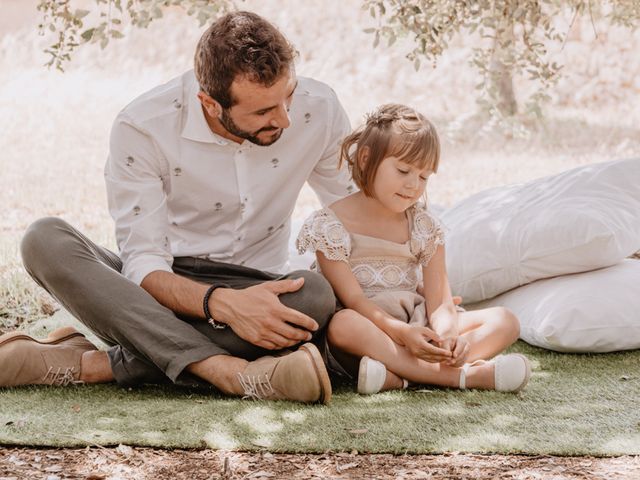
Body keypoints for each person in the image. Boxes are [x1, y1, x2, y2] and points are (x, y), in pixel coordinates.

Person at [0, 11, 357, 404]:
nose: (286, 119)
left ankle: (93, 364)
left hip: (259, 286)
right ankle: (230, 373)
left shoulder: (318, 108)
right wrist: (221, 304)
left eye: (288, 96)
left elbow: (355, 212)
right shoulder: (143, 126)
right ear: (209, 103)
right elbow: (144, 262)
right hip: (160, 289)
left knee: (315, 297)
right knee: (43, 239)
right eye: (263, 112)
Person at [297, 104, 531, 395]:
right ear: (367, 159)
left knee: (505, 320)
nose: (413, 185)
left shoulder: (423, 226)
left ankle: (400, 378)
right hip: (368, 332)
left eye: (423, 176)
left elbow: (440, 302)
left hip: (416, 325)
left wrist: (448, 336)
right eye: (404, 170)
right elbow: (354, 300)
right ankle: (465, 377)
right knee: (343, 325)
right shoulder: (330, 226)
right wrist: (403, 334)